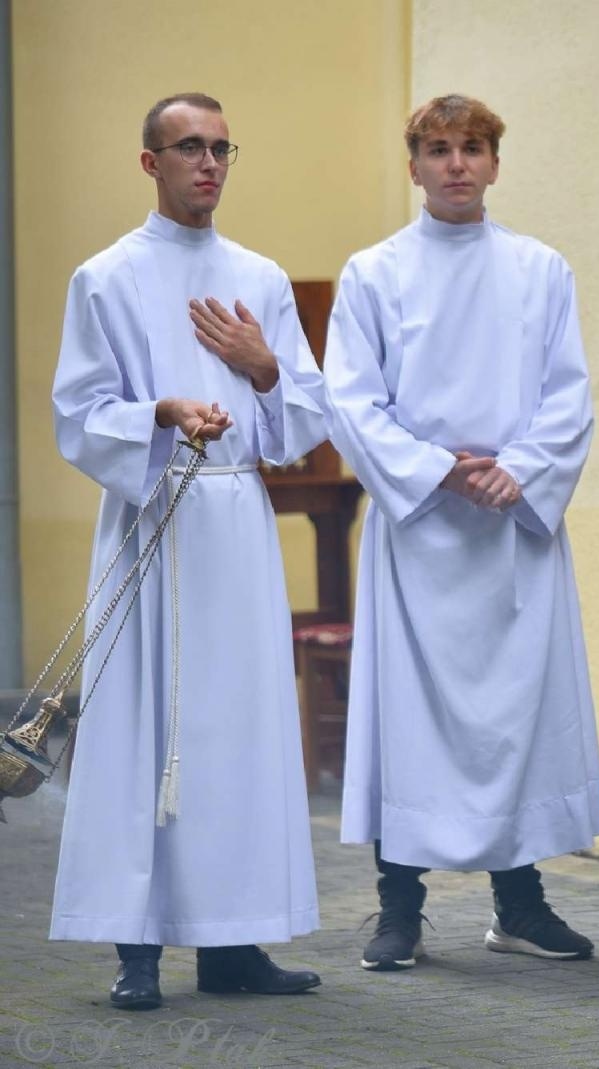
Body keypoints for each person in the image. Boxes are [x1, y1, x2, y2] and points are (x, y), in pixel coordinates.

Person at [49, 92, 325, 1010]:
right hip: (151, 521)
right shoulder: (105, 277)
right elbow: (79, 416)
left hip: (234, 527)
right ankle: (136, 946)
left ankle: (233, 941)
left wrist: (262, 367)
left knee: (237, 733)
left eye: (220, 148)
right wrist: (161, 415)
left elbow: (304, 422)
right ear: (150, 163)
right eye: (188, 148)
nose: (208, 163)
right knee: (141, 731)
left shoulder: (261, 275)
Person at [323, 94, 599, 972]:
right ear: (411, 166)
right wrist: (439, 468)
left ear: (494, 163)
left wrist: (515, 468)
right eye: (438, 150)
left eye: (472, 148)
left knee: (513, 719)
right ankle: (398, 909)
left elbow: (568, 394)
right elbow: (351, 400)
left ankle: (519, 905)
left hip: (512, 524)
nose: (456, 164)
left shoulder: (540, 269)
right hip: (420, 536)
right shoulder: (372, 273)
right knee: (407, 724)